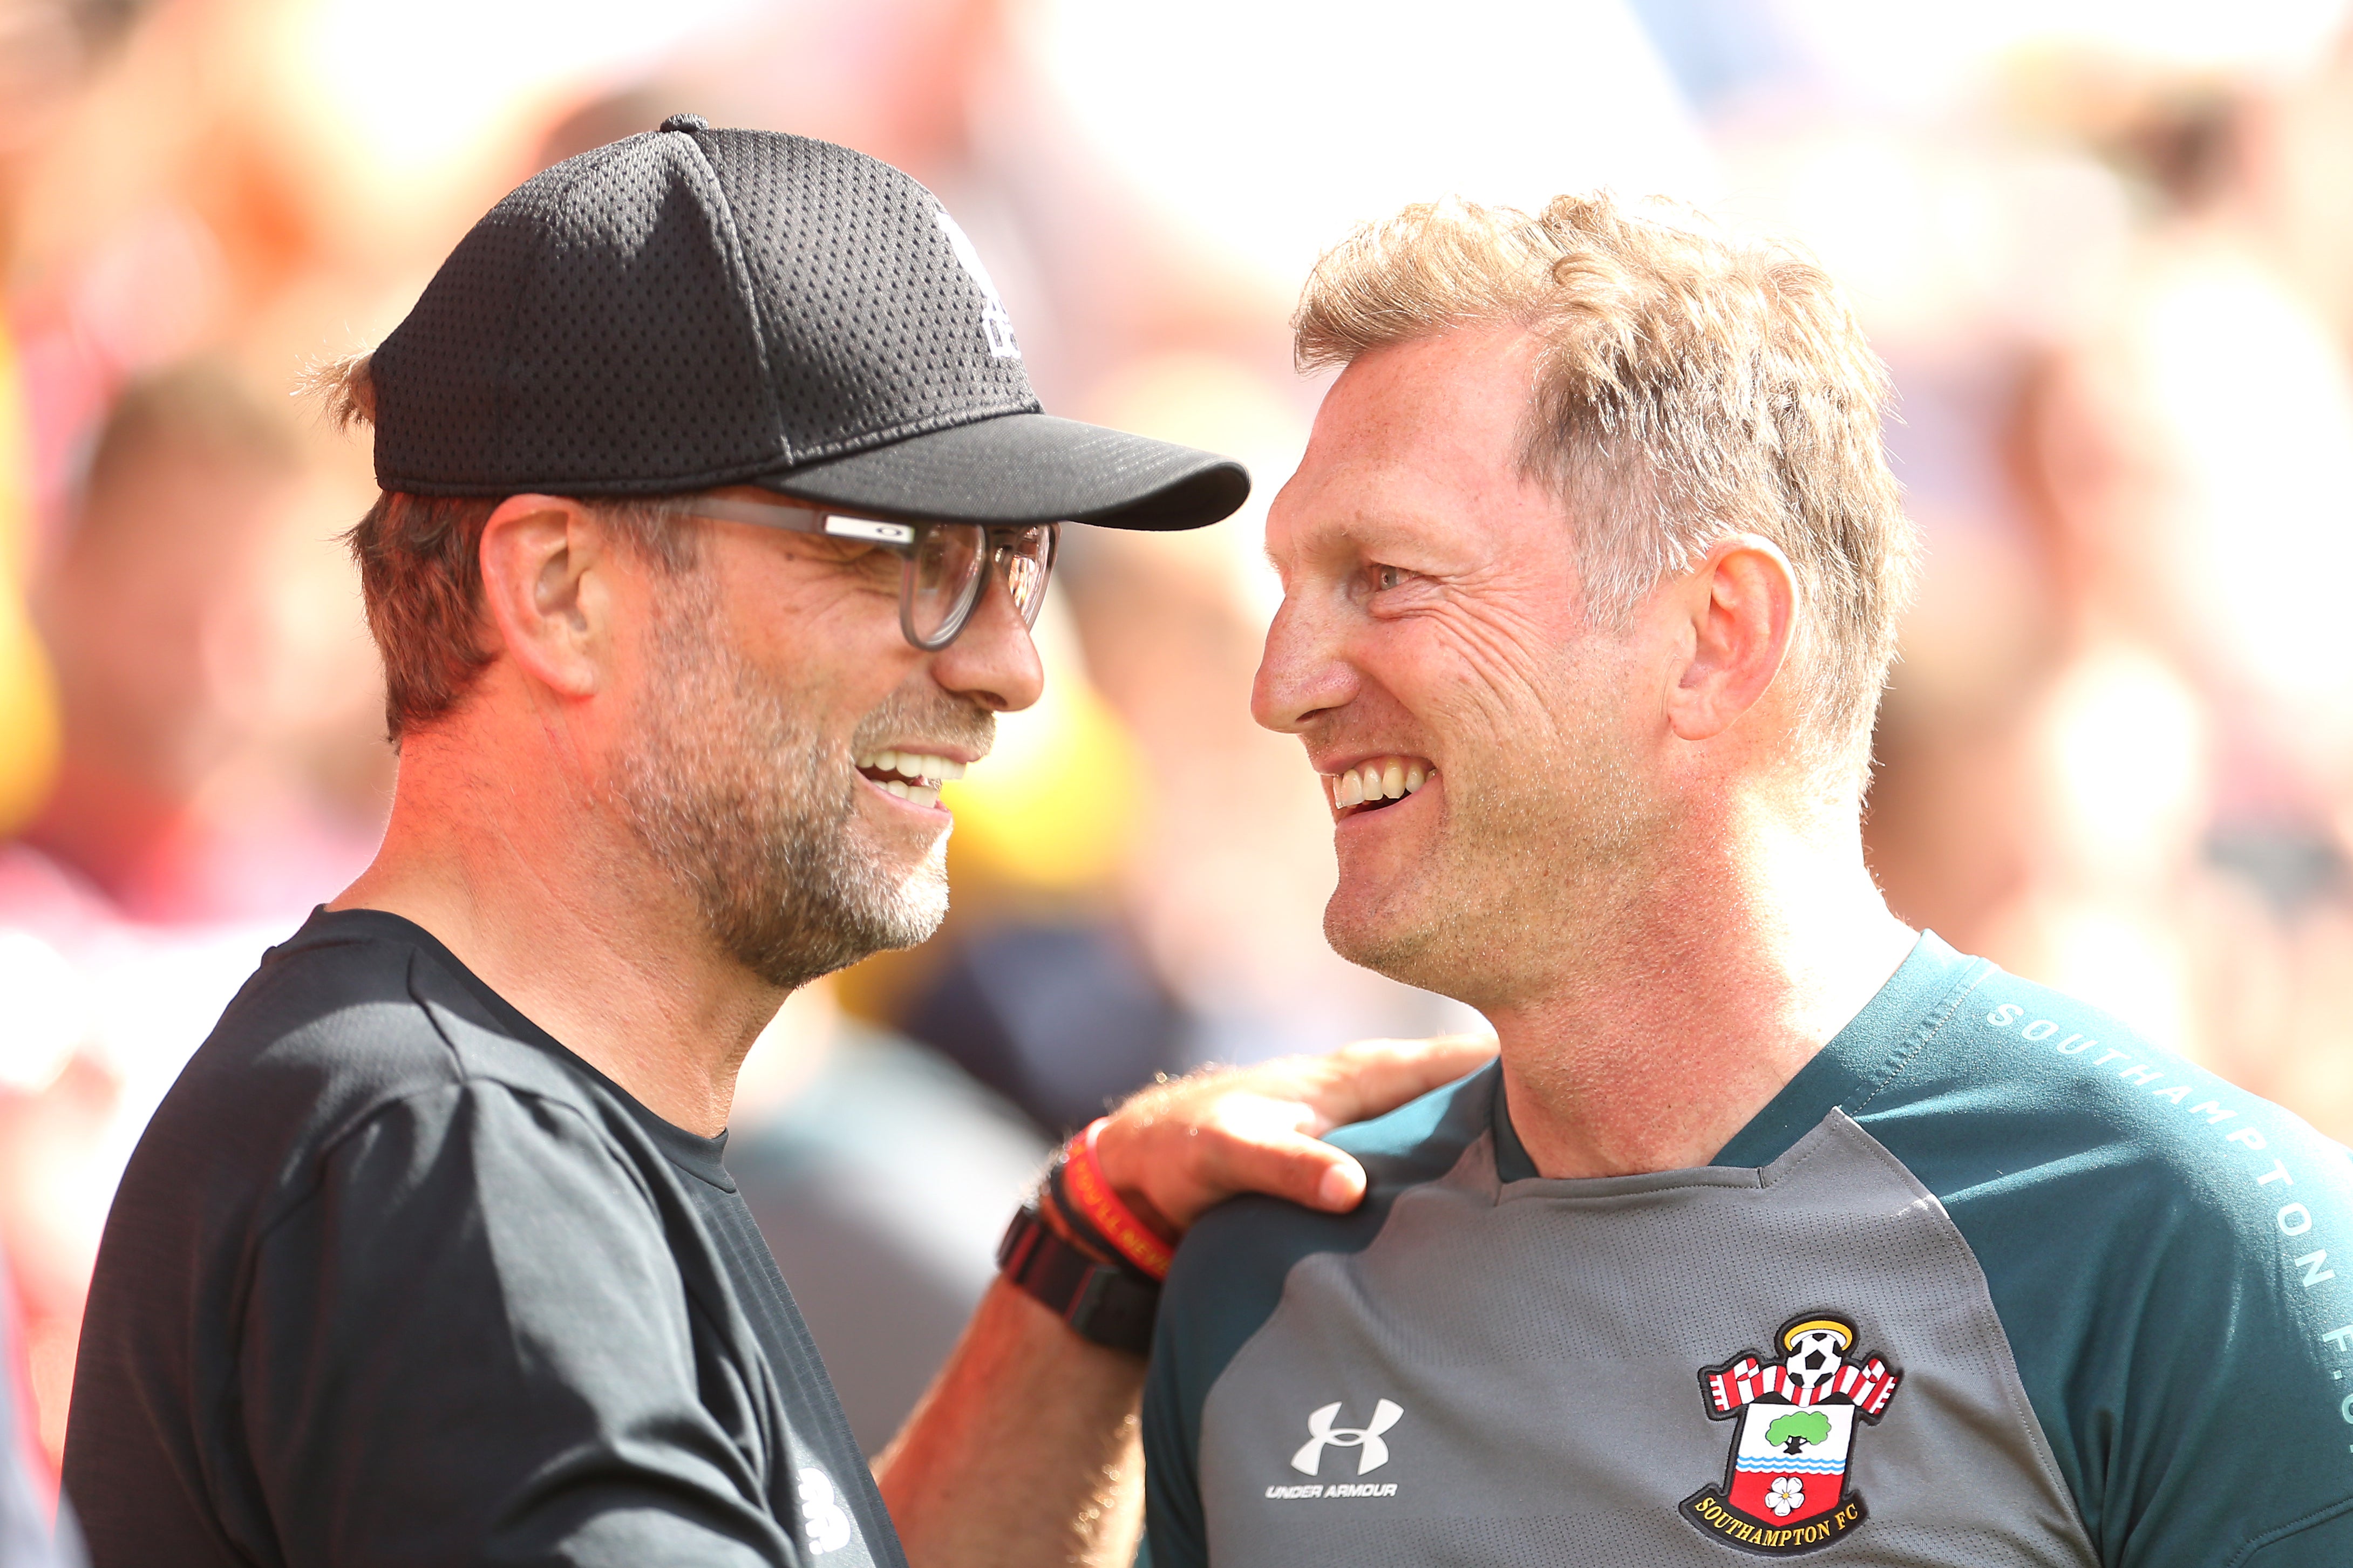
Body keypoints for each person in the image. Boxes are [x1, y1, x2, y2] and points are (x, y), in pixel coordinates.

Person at [59, 120, 1491, 1568]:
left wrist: (1096, 1251)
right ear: (559, 590)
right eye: (915, 557)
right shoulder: (456, 1171)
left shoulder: (499, 1119)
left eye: (1018, 564)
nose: (1013, 664)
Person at [1141, 194, 2353, 1566]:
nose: (1280, 686)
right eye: (1294, 587)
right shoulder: (1256, 1278)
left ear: (1716, 636)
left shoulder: (2188, 1244)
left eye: (1384, 577)